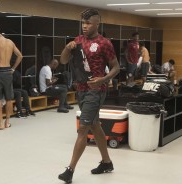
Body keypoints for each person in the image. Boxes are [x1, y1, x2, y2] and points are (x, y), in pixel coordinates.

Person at [58, 8, 120, 183]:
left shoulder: (104, 43)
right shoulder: (77, 41)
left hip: (96, 90)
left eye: (88, 23)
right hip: (81, 89)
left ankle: (70, 171)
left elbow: (116, 68)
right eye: (83, 23)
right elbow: (63, 61)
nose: (85, 26)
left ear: (97, 23)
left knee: (83, 128)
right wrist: (67, 47)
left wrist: (103, 79)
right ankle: (107, 163)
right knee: (95, 125)